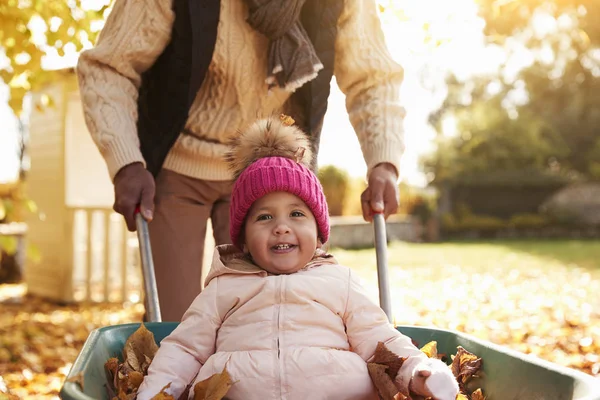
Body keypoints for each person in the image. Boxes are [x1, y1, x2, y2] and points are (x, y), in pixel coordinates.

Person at [77, 0, 407, 321]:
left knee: (272, 318)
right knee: (174, 324)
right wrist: (126, 164)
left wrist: (384, 162)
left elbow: (371, 77)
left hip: (270, 176)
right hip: (179, 163)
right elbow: (109, 67)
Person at [135, 118, 458, 400]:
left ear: (319, 235)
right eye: (263, 218)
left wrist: (417, 371)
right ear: (244, 241)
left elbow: (379, 340)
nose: (281, 227)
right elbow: (186, 348)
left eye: (296, 214)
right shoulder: (223, 289)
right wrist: (157, 392)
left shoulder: (339, 283)